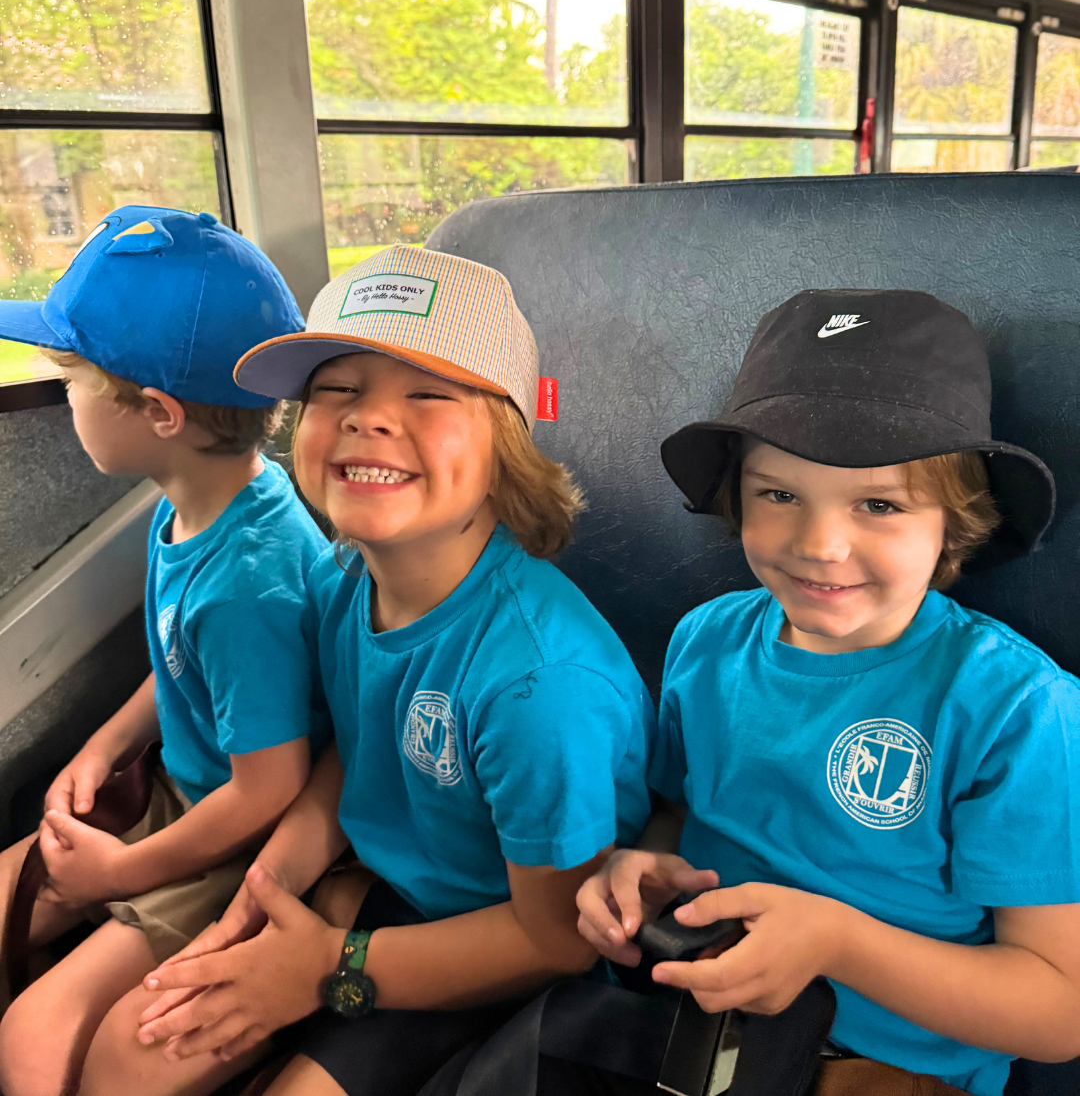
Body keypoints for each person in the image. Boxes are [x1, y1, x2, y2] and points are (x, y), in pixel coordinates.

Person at [78, 243, 655, 1096]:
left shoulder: (540, 685)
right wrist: (268, 887)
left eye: (427, 394)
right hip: (381, 892)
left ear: (506, 444)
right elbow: (358, 749)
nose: (367, 417)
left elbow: (555, 938)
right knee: (126, 1057)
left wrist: (330, 968)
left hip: (500, 952)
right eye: (337, 390)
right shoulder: (343, 580)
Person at [575, 289, 1080, 1096]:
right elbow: (677, 808)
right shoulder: (706, 641)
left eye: (879, 504)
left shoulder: (1016, 708)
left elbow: (1058, 1012)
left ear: (954, 522)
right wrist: (646, 865)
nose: (820, 545)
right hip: (681, 1026)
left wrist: (838, 943)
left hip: (879, 1065)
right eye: (779, 494)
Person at [0, 206, 328, 1096]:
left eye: (71, 378)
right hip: (181, 789)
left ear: (158, 412)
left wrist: (119, 872)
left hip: (229, 836)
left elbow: (270, 789)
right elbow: (183, 664)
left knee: (33, 1046)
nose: (63, 397)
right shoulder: (187, 508)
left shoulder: (252, 583)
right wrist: (104, 744)